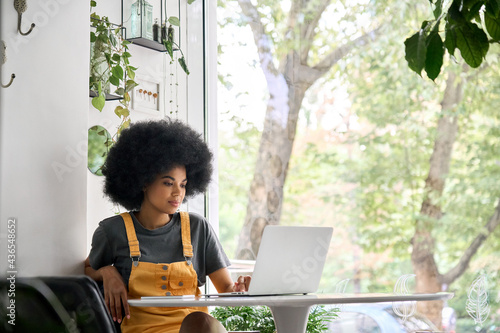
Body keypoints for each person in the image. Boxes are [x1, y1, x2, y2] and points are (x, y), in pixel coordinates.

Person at [84, 119, 251, 333]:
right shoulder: (113, 231)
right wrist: (107, 272)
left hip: (197, 329)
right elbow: (87, 269)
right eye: (168, 182)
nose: (178, 193)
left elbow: (226, 290)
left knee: (200, 322)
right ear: (143, 182)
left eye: (183, 184)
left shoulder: (197, 228)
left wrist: (240, 289)